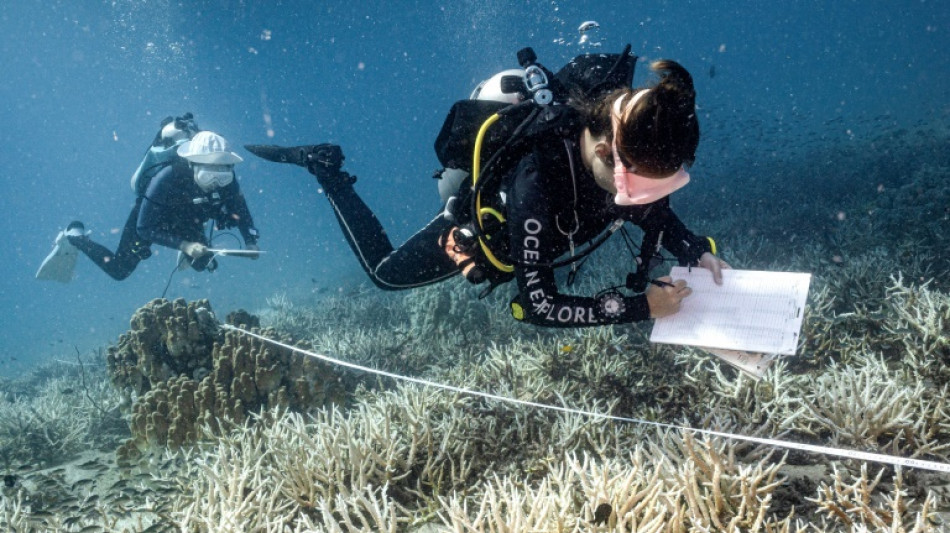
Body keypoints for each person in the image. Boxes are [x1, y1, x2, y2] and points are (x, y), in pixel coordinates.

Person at [248, 49, 726, 328]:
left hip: (560, 212)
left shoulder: (631, 150)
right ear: (604, 153)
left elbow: (653, 212)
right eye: (641, 184)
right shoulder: (536, 180)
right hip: (497, 226)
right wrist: (644, 307)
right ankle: (324, 168)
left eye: (662, 183)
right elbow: (538, 305)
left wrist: (694, 250)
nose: (645, 197)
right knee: (384, 274)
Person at [37, 124, 260, 282]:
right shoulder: (167, 176)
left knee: (202, 263)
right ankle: (74, 237)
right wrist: (185, 245)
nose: (217, 180)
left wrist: (250, 241)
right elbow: (144, 228)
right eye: (210, 172)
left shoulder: (226, 178)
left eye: (222, 171)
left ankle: (187, 248)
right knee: (119, 271)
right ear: (192, 163)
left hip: (189, 218)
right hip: (154, 219)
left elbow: (240, 209)